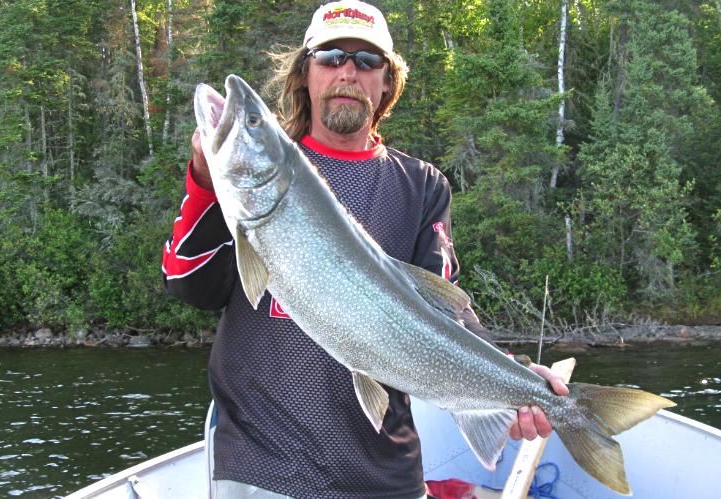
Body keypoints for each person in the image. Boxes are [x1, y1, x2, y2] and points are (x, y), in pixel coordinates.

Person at [161, 1, 568, 497]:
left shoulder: (422, 185)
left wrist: (516, 377)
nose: (348, 71)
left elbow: (447, 312)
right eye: (330, 56)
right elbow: (191, 286)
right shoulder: (248, 187)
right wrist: (205, 181)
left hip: (385, 477)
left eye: (367, 60)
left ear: (386, 82)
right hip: (261, 470)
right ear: (305, 74)